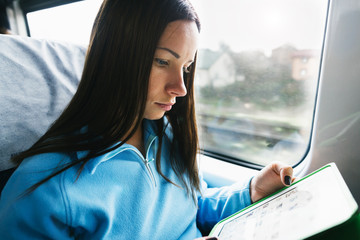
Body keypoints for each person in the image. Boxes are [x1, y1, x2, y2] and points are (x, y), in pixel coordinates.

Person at [0, 0, 294, 239]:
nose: (180, 88)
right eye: (163, 61)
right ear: (115, 56)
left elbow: (195, 206)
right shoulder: (44, 188)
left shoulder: (164, 133)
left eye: (186, 67)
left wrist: (251, 191)